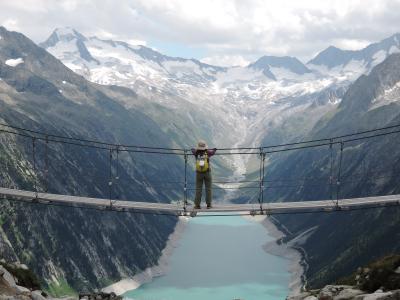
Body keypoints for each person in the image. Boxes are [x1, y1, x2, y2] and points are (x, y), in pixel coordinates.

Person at [191, 140, 217, 209]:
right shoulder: (208, 152)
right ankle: (208, 205)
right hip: (207, 172)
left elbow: (192, 150)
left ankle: (197, 205)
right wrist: (214, 149)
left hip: (199, 173)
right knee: (208, 189)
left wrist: (193, 149)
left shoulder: (196, 152)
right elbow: (213, 152)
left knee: (198, 189)